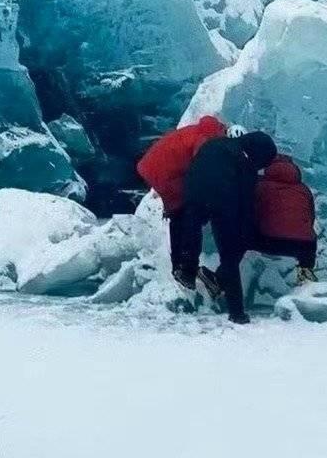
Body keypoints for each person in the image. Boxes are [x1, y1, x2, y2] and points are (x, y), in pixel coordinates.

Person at [175, 129, 278, 324]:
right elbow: (245, 202)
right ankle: (237, 312)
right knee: (230, 255)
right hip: (223, 203)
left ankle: (190, 270)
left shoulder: (212, 144)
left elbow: (196, 172)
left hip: (194, 196)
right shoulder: (244, 163)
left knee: (193, 229)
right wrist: (247, 228)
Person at [136, 114, 227, 287]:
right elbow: (201, 167)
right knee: (189, 216)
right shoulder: (206, 139)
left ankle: (179, 265)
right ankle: (186, 268)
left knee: (179, 213)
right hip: (166, 174)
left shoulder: (195, 131)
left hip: (154, 167)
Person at [253, 153, 317, 283]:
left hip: (267, 242)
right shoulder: (304, 190)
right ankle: (306, 270)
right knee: (310, 239)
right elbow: (310, 217)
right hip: (302, 246)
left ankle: (223, 278)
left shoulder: (260, 186)